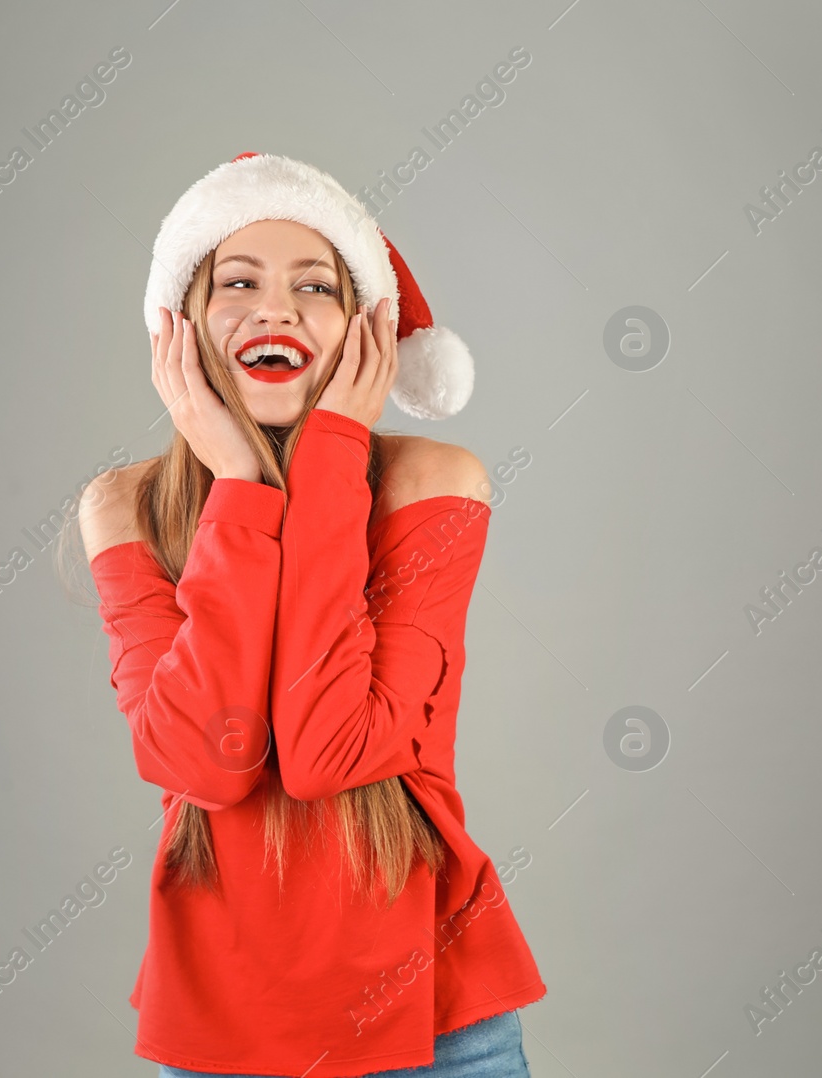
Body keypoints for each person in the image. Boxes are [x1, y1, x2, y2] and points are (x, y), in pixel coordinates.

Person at [75, 152, 546, 1077]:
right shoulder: (124, 508)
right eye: (237, 281)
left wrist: (328, 454)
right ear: (185, 325)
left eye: (316, 287)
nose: (276, 308)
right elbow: (202, 757)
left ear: (363, 332)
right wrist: (243, 491)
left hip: (440, 1019)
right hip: (223, 1024)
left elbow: (332, 748)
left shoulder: (433, 483)